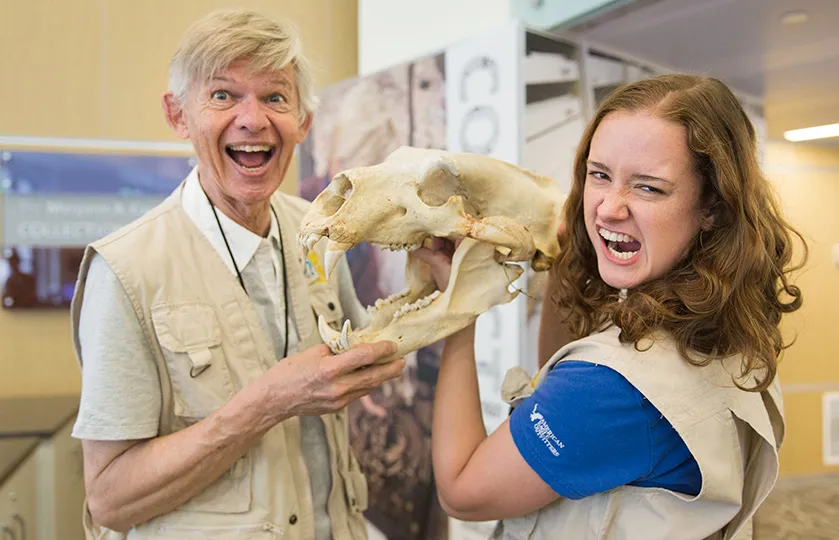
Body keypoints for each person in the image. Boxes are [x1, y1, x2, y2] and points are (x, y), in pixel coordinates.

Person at [417, 74, 805, 539]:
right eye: (599, 175)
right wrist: (565, 259)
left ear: (712, 209)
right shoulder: (727, 331)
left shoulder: (613, 389)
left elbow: (463, 491)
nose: (608, 209)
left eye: (648, 188)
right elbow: (562, 399)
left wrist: (460, 305)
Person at [70, 9, 403, 539]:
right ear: (178, 115)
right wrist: (268, 402)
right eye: (223, 96)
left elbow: (372, 356)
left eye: (275, 97)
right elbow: (110, 499)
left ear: (303, 123)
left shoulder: (322, 231)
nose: (253, 120)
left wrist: (437, 279)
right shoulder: (126, 271)